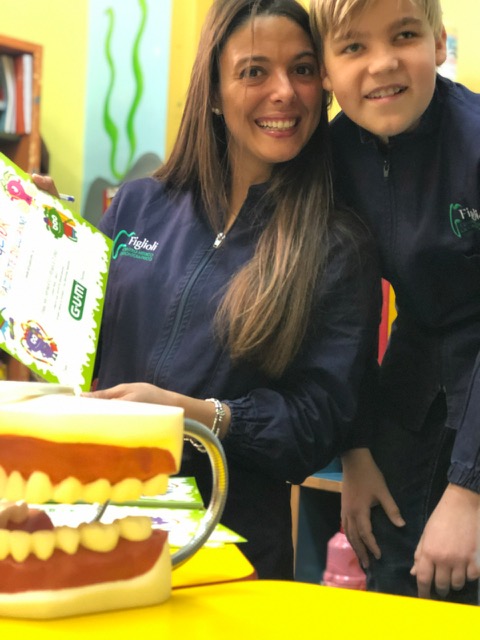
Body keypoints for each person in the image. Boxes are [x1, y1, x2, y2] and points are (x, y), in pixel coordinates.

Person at [35, 0, 380, 580]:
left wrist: (192, 416)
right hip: (93, 523)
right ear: (214, 93)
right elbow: (66, 347)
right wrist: (40, 244)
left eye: (301, 69)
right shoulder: (139, 204)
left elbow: (317, 425)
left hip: (227, 556)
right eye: (254, 71)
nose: (284, 92)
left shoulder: (337, 246)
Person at [310, 0, 480, 602]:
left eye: (404, 35)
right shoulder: (329, 157)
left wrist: (469, 489)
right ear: (325, 71)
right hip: (412, 375)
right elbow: (340, 315)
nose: (382, 63)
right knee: (389, 557)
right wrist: (356, 451)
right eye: (354, 46)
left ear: (438, 43)